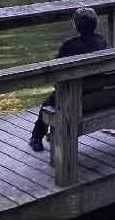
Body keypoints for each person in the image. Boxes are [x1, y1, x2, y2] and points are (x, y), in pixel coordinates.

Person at [29, 8, 107, 151]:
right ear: (96, 23)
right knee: (57, 96)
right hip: (99, 95)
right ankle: (51, 134)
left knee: (48, 102)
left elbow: (56, 72)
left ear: (75, 25)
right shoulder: (101, 41)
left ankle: (36, 138)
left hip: (73, 100)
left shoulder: (70, 45)